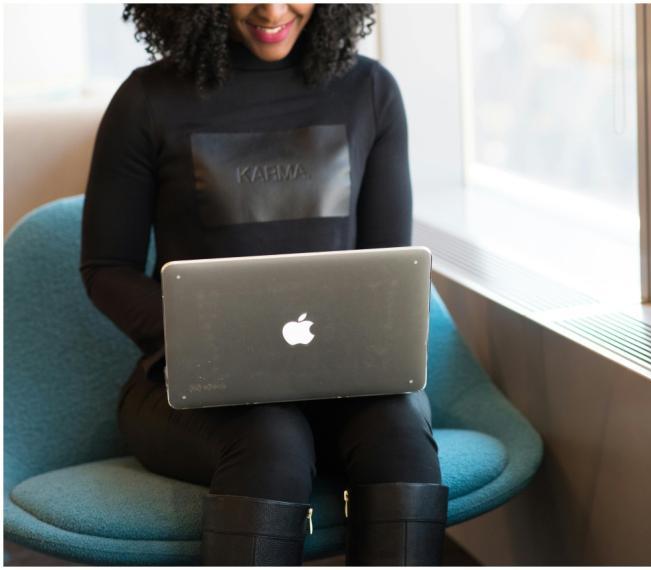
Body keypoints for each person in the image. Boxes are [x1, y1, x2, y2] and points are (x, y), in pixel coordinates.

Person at [79, 4, 448, 566]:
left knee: (396, 431)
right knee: (272, 437)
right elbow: (106, 270)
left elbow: (387, 273)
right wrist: (214, 341)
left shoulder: (370, 91)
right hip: (191, 387)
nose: (273, 10)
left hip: (344, 382)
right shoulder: (146, 100)